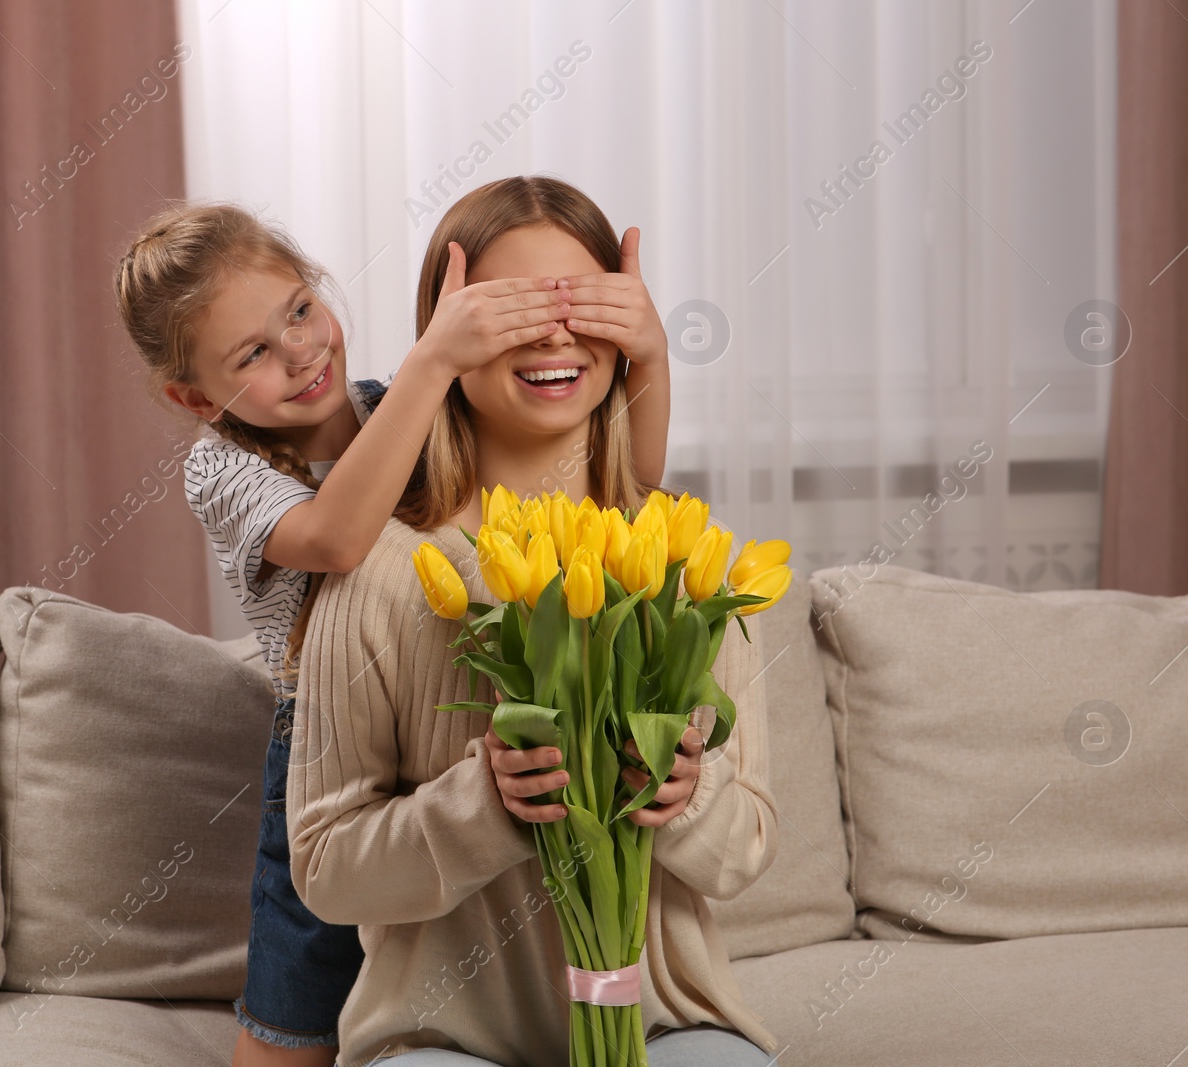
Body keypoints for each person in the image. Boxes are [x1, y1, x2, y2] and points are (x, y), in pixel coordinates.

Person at [113, 200, 672, 1066]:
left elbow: (623, 481)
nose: (300, 351)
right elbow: (337, 539)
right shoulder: (222, 467)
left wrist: (647, 353)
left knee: (429, 960)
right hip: (322, 747)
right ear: (194, 397)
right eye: (252, 353)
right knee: (293, 1013)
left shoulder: (398, 402)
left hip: (429, 715)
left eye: (300, 309)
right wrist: (436, 360)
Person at [287, 176, 780, 1066]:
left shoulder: (682, 556)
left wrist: (686, 797)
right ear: (446, 336)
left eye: (583, 303)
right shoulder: (384, 575)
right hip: (442, 1040)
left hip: (665, 1027)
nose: (555, 333)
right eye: (513, 308)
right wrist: (484, 804)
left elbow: (747, 848)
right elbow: (323, 868)